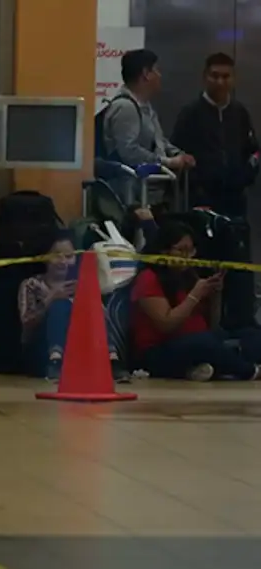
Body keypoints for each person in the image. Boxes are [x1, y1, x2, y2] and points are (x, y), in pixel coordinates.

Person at [131, 220, 261, 381]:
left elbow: (213, 324)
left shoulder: (188, 276)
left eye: (191, 250)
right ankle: (250, 371)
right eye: (181, 250)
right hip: (159, 351)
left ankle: (209, 367)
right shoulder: (148, 278)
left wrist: (214, 295)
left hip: (199, 341)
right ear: (163, 251)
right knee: (204, 343)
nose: (187, 257)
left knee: (251, 335)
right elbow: (166, 325)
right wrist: (195, 295)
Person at [18, 231, 128, 382]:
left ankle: (112, 360)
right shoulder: (31, 284)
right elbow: (27, 324)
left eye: (69, 256)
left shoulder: (80, 285)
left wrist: (88, 297)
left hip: (76, 348)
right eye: (57, 255)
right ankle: (55, 361)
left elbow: (103, 319)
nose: (63, 261)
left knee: (91, 312)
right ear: (45, 257)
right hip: (39, 349)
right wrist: (51, 299)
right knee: (60, 304)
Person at [170, 52, 259, 217]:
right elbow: (176, 151)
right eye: (214, 76)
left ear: (234, 79)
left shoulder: (240, 113)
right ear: (205, 78)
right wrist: (195, 189)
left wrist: (245, 177)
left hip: (235, 200)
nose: (220, 82)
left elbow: (253, 151)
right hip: (201, 200)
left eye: (226, 77)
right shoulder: (190, 113)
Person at [102, 49, 194, 203]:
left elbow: (158, 140)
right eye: (156, 70)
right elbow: (129, 152)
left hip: (151, 195)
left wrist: (178, 155)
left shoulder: (145, 107)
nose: (160, 75)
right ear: (145, 73)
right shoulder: (125, 108)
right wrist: (168, 163)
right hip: (132, 198)